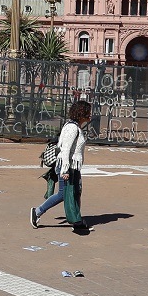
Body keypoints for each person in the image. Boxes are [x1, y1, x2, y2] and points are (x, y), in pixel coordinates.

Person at [29, 100, 92, 234]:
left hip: (73, 167)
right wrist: (65, 170)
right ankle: (37, 211)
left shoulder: (76, 127)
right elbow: (65, 150)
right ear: (81, 113)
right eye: (88, 112)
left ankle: (77, 221)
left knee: (75, 193)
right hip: (67, 167)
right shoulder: (72, 128)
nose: (90, 114)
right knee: (63, 193)